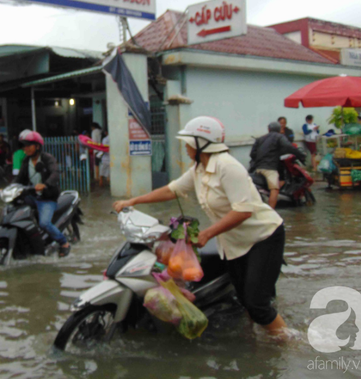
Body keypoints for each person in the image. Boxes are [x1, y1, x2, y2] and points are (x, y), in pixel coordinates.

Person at [113, 116, 289, 337]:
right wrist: (133, 201)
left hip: (262, 237)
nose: (186, 147)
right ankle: (256, 338)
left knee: (258, 303)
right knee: (245, 299)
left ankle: (289, 343)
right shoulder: (199, 168)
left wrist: (207, 233)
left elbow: (244, 210)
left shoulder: (228, 167)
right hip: (233, 241)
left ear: (201, 143)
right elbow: (171, 190)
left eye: (189, 143)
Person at [13, 130, 70, 257]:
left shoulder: (47, 158)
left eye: (28, 145)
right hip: (32, 196)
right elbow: (19, 179)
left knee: (44, 223)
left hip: (47, 198)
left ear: (37, 146)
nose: (25, 148)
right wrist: (7, 189)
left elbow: (55, 173)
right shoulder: (26, 161)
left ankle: (64, 243)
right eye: (24, 146)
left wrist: (45, 184)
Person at [250, 122, 306, 209]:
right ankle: (271, 212)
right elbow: (288, 146)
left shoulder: (260, 139)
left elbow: (252, 154)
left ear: (269, 129)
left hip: (258, 168)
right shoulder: (279, 137)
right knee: (274, 189)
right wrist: (301, 155)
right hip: (269, 169)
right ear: (280, 130)